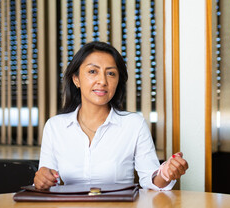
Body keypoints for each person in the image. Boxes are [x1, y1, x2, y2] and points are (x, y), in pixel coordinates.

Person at [34, 41, 188, 190]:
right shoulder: (55, 126)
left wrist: (166, 173)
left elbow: (150, 180)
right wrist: (41, 180)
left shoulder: (134, 124)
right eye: (93, 71)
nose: (102, 81)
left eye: (111, 73)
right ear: (76, 79)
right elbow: (46, 182)